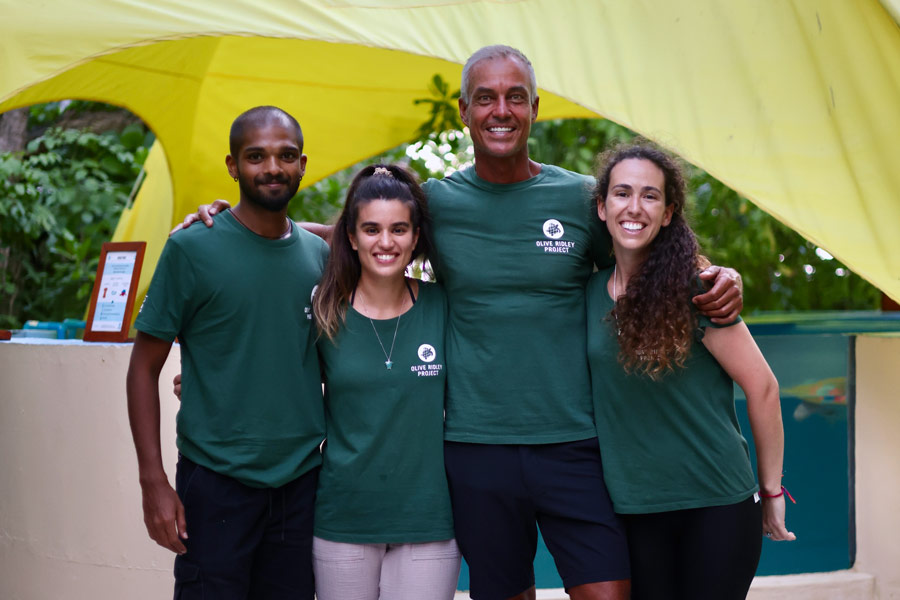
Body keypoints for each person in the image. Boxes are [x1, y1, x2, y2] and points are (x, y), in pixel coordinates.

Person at [176, 46, 743, 600]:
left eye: (515, 97)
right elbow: (362, 232)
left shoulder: (579, 197)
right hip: (476, 448)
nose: (501, 111)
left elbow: (647, 242)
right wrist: (238, 220)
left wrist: (715, 271)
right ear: (465, 112)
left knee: (608, 591)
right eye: (486, 98)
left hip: (575, 442)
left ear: (535, 108)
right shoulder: (438, 203)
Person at [126, 106, 328, 600]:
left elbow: (379, 225)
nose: (272, 168)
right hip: (215, 482)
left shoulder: (321, 258)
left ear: (303, 164)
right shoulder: (194, 249)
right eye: (255, 156)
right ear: (233, 166)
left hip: (302, 484)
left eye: (285, 156)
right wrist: (153, 482)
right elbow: (142, 370)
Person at [586, 142, 795, 600]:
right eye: (621, 194)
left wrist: (772, 491)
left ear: (667, 212)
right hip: (634, 510)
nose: (634, 207)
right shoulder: (584, 295)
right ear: (602, 207)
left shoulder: (699, 289)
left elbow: (762, 387)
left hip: (717, 504)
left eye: (650, 195)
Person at [310, 164, 460, 600]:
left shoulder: (442, 306)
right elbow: (277, 381)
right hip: (344, 519)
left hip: (429, 521)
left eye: (399, 229)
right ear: (352, 238)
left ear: (415, 237)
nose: (386, 242)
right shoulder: (325, 314)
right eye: (371, 229)